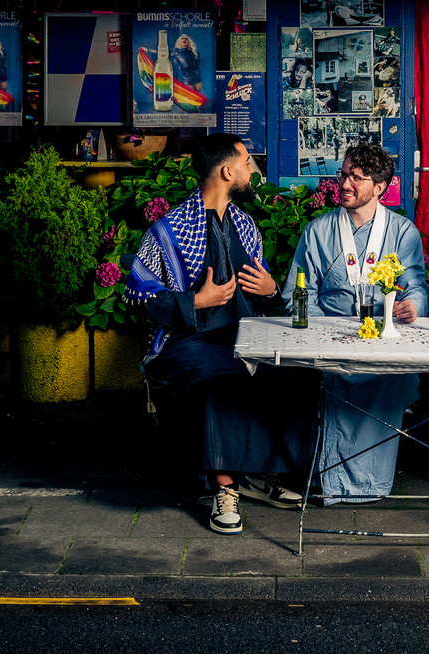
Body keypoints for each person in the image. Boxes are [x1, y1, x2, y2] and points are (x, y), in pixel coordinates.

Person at [125, 134, 308, 535]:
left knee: (291, 372)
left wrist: (271, 290)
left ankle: (258, 474)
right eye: (246, 162)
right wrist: (196, 301)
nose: (251, 170)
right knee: (217, 379)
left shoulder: (245, 226)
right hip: (188, 340)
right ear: (227, 171)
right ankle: (225, 488)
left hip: (247, 335)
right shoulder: (168, 230)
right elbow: (138, 297)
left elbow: (264, 290)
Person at [282, 143, 428, 504]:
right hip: (331, 337)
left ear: (379, 187)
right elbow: (298, 293)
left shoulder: (402, 231)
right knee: (326, 379)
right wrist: (323, 334)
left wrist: (412, 306)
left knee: (391, 381)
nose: (345, 184)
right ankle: (330, 479)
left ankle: (371, 481)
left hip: (384, 341)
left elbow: (416, 286)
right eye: (344, 174)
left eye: (356, 178)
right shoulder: (318, 230)